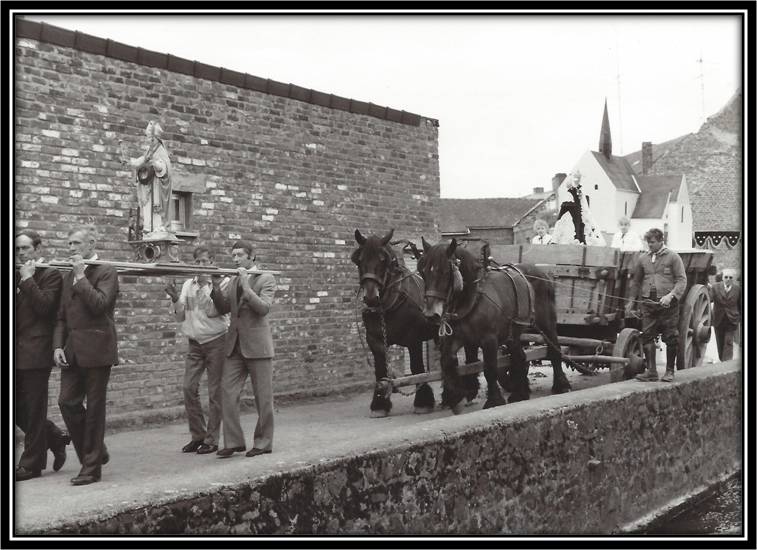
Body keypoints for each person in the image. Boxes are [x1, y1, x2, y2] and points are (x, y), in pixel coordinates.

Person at [53, 225, 119, 485]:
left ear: (91, 244)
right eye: (69, 244)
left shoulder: (106, 270)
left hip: (97, 349)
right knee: (66, 402)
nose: (71, 249)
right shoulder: (68, 275)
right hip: (72, 351)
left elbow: (100, 305)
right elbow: (60, 315)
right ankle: (96, 451)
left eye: (76, 244)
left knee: (94, 410)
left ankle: (91, 468)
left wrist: (81, 277)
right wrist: (58, 346)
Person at [209, 240, 277, 459]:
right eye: (233, 256)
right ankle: (233, 442)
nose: (235, 259)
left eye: (239, 255)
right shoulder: (234, 280)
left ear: (251, 257)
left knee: (263, 398)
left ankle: (264, 442)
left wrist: (247, 286)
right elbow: (223, 308)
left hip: (258, 347)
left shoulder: (266, 278)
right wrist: (215, 285)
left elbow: (263, 308)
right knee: (226, 393)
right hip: (235, 346)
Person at [15, 230, 71, 481]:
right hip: (15, 351)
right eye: (17, 249)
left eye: (25, 248)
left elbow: (46, 308)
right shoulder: (16, 275)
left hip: (36, 352)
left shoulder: (50, 275)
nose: (20, 253)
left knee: (34, 409)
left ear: (38, 249)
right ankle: (54, 437)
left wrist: (28, 280)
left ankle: (31, 464)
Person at [164, 247, 230, 455]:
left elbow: (213, 312)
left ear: (212, 261)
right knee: (188, 388)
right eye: (197, 262)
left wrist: (204, 286)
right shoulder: (186, 284)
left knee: (215, 392)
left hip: (217, 341)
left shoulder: (222, 283)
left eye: (204, 262)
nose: (200, 267)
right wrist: (175, 299)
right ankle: (198, 436)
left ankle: (212, 440)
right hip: (195, 343)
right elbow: (179, 317)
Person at [626, 228, 687, 382]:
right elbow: (636, 281)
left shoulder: (673, 257)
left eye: (652, 242)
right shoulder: (643, 259)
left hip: (668, 306)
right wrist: (632, 301)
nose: (650, 245)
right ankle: (651, 372)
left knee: (671, 337)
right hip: (648, 304)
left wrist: (670, 296)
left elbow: (681, 280)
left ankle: (669, 371)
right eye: (648, 242)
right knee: (646, 336)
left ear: (661, 241)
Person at [120, 120, 172, 234]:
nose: (148, 140)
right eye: (148, 137)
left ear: (155, 138)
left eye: (150, 138)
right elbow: (141, 161)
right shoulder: (150, 150)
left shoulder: (160, 150)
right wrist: (129, 161)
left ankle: (158, 226)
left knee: (156, 207)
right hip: (149, 185)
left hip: (157, 186)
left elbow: (165, 168)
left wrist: (155, 164)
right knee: (147, 205)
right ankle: (148, 227)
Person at [551, 170, 607, 246]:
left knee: (583, 227)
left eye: (578, 178)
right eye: (576, 178)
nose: (577, 180)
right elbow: (563, 213)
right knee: (570, 227)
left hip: (580, 211)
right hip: (571, 211)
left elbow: (584, 207)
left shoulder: (581, 191)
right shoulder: (569, 194)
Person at [710, 268, 741, 361]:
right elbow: (710, 299)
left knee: (728, 342)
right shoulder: (715, 287)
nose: (728, 279)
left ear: (733, 279)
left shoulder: (738, 289)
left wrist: (739, 318)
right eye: (726, 277)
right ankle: (722, 360)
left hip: (732, 320)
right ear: (722, 278)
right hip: (719, 319)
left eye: (730, 277)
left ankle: (726, 362)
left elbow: (740, 305)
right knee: (720, 343)